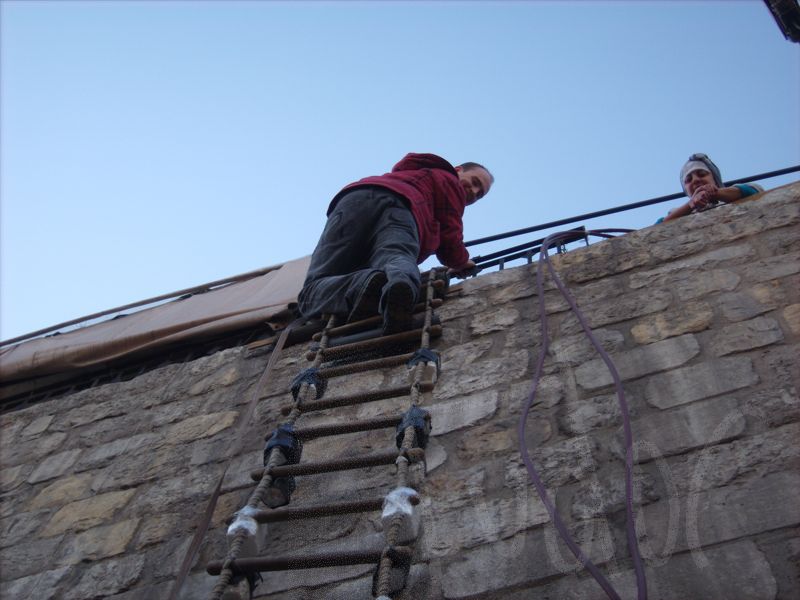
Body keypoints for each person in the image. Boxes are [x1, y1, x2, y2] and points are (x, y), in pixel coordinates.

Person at [298, 153, 493, 334]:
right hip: (401, 209)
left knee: (314, 288)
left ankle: (367, 282)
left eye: (479, 194)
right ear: (458, 169)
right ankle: (396, 285)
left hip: (352, 201)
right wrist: (461, 262)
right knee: (396, 256)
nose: (474, 192)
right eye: (475, 182)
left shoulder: (414, 174)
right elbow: (450, 237)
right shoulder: (448, 180)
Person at [659, 153, 763, 223]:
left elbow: (755, 191)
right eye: (688, 179)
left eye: (702, 174)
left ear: (714, 179)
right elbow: (657, 227)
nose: (695, 180)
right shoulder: (675, 212)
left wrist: (715, 193)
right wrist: (691, 205)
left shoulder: (732, 197)